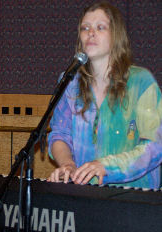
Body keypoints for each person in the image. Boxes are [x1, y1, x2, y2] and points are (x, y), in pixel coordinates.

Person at [47, 1, 162, 189]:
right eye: (85, 28)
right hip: (85, 193)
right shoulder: (70, 82)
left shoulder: (141, 82)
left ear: (116, 36)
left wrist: (106, 166)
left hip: (135, 197)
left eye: (100, 27)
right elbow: (60, 134)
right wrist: (67, 165)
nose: (90, 33)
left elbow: (156, 146)